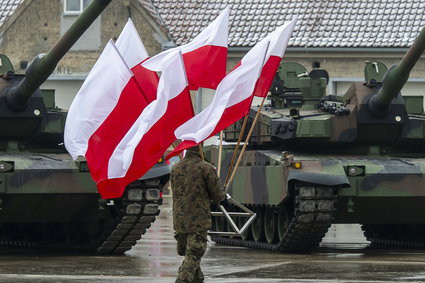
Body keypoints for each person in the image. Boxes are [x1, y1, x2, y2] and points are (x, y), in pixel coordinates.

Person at [170, 145, 226, 283]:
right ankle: (183, 279)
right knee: (195, 252)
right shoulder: (205, 167)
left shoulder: (175, 167)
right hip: (198, 218)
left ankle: (197, 279)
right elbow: (218, 195)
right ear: (200, 150)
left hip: (180, 219)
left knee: (189, 253)